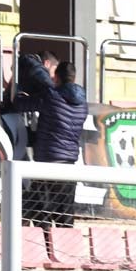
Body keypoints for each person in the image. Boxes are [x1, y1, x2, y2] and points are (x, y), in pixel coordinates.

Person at [12, 60, 87, 229]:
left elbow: (20, 105)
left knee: (41, 213)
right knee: (65, 215)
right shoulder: (83, 104)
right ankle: (64, 251)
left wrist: (17, 90)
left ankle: (45, 249)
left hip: (47, 162)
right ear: (74, 77)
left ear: (56, 77)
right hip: (69, 165)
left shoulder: (51, 96)